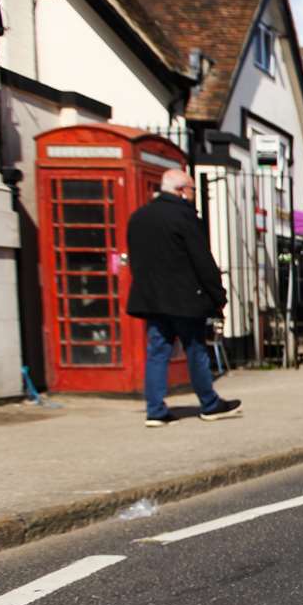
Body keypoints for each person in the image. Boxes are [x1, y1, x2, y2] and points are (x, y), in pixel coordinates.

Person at [126, 168, 242, 426]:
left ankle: (155, 410)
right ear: (180, 190)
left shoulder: (138, 217)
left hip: (153, 300)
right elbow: (202, 260)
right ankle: (210, 404)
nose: (192, 195)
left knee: (157, 353)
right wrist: (218, 295)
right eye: (191, 189)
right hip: (186, 299)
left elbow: (136, 261)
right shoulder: (184, 217)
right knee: (195, 350)